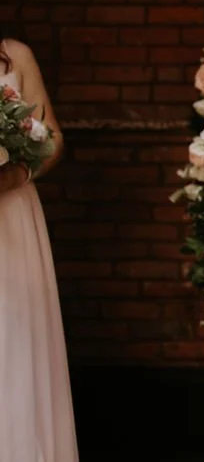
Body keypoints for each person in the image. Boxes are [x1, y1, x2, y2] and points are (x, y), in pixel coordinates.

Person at [0, 36, 77, 462]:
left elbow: (53, 138)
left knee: (11, 341)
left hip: (10, 213)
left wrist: (15, 175)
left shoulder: (15, 54)